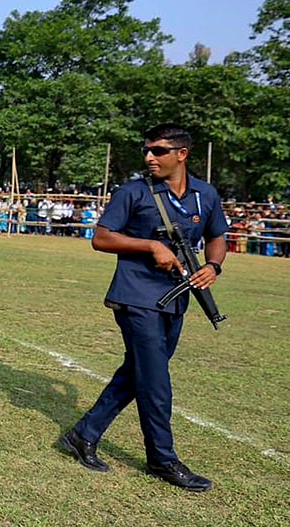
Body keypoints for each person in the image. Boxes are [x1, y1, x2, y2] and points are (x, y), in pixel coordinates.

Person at [60, 124, 227, 492]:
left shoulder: (205, 195)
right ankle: (162, 459)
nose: (149, 157)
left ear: (181, 153)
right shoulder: (133, 192)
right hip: (136, 296)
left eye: (158, 150)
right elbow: (101, 238)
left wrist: (213, 267)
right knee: (155, 381)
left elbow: (217, 236)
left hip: (176, 298)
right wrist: (149, 246)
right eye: (146, 150)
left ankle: (83, 434)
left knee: (138, 373)